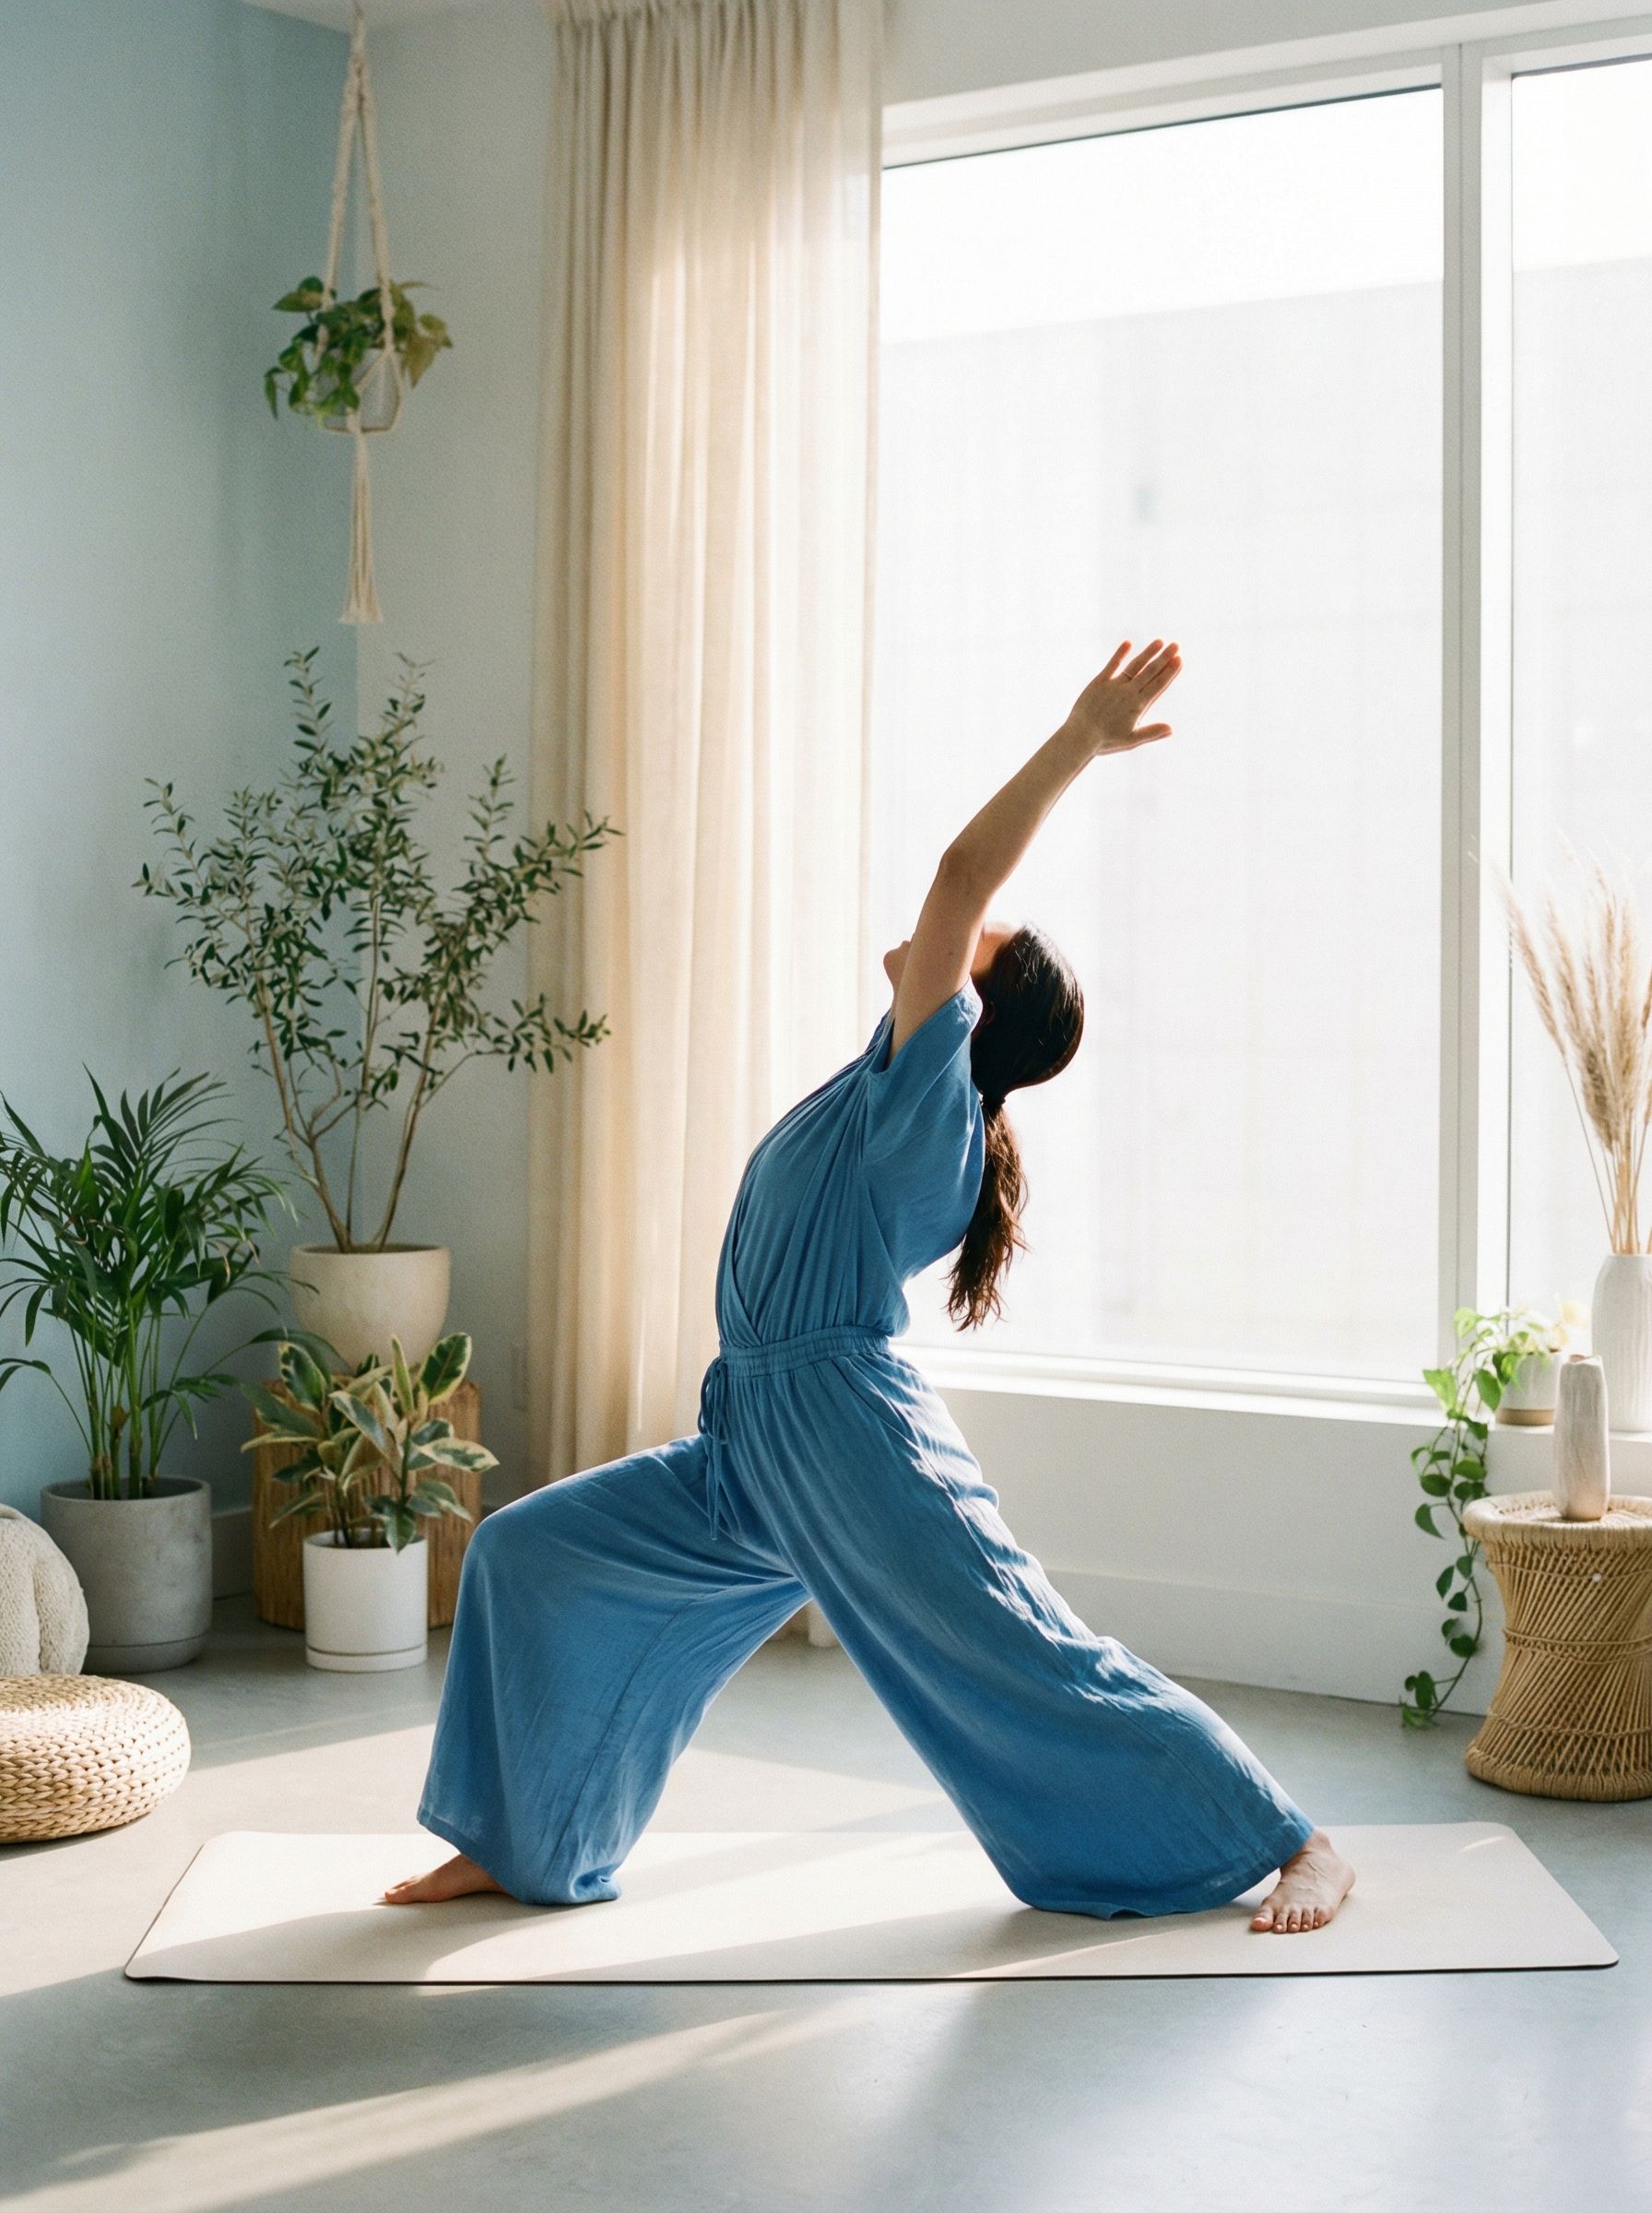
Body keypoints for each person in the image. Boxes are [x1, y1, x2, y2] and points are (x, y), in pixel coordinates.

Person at [385, 639, 1355, 1936]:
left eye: (976, 952)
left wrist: (1078, 737)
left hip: (852, 1451)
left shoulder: (929, 1104)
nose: (950, 939)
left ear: (975, 1012)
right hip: (753, 1449)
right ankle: (526, 1845)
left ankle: (1294, 1839)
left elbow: (961, 872)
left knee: (1026, 1652)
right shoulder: (883, 1085)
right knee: (527, 1554)